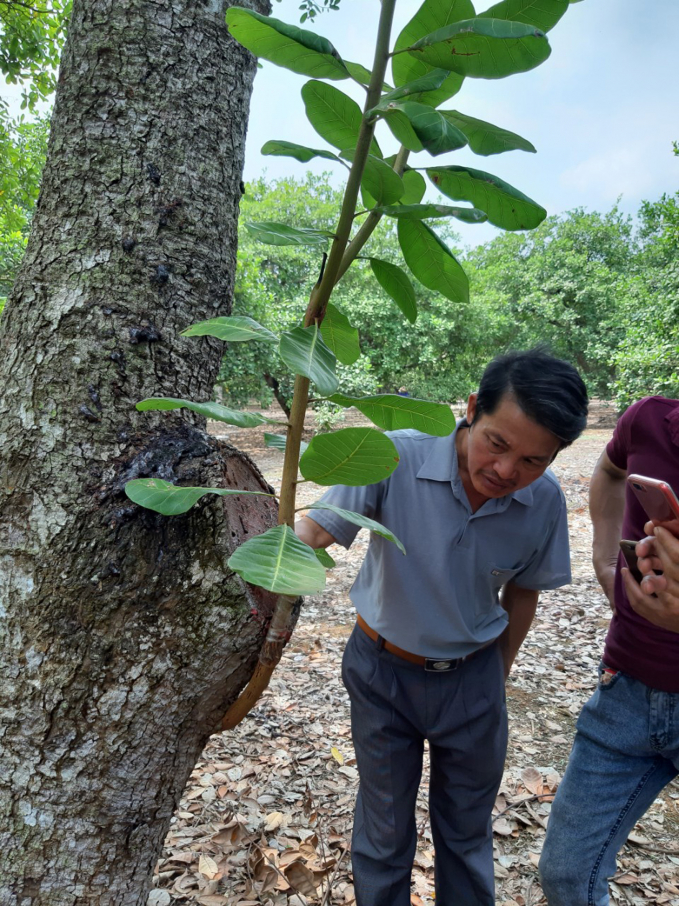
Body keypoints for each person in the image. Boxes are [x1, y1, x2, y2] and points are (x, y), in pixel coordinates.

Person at [296, 349, 588, 906]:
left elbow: (523, 590)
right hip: (382, 673)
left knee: (466, 830)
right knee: (384, 828)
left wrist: (496, 675)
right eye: (497, 444)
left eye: (532, 460)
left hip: (474, 677)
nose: (506, 471)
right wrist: (270, 559)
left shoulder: (544, 502)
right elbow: (316, 529)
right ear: (473, 408)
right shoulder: (393, 457)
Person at [539, 396, 679, 905]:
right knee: (566, 876)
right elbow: (610, 467)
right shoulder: (650, 420)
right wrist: (603, 556)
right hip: (624, 691)